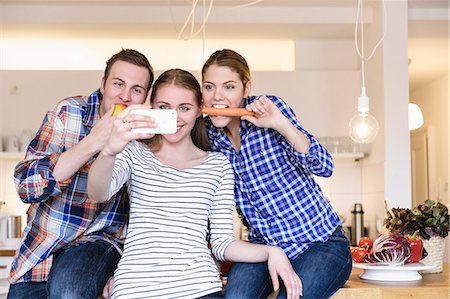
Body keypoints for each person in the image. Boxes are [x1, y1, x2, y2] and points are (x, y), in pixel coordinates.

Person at [87, 68, 302, 299]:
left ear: (200, 110)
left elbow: (222, 243)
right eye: (164, 107)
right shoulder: (133, 153)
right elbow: (98, 193)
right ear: (152, 108)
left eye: (185, 108)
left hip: (200, 289)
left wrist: (272, 252)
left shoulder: (218, 165)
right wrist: (109, 151)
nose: (175, 117)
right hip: (135, 288)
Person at [201, 49, 352, 299]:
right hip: (265, 247)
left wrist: (279, 124)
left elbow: (325, 166)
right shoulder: (207, 134)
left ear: (246, 88)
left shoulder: (270, 109)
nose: (218, 97)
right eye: (209, 87)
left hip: (320, 243)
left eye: (229, 87)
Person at [8, 49, 154, 299]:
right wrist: (93, 142)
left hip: (99, 246)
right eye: (118, 84)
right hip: (41, 252)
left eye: (136, 90)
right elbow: (26, 186)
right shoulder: (69, 112)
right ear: (103, 84)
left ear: (144, 98)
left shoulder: (146, 135)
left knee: (69, 293)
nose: (125, 96)